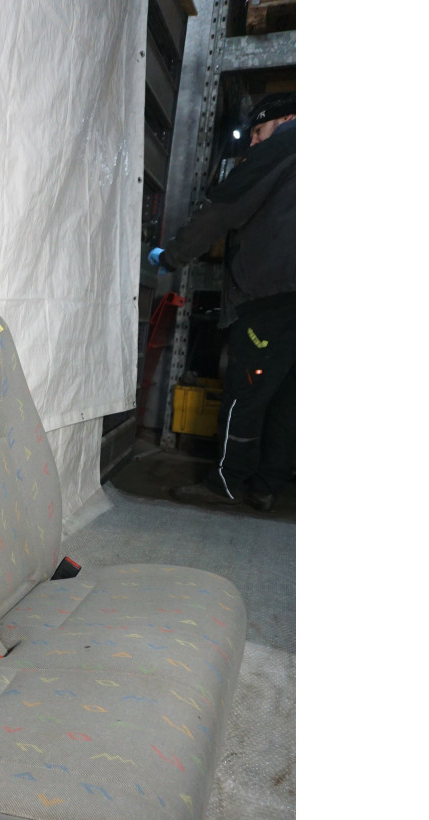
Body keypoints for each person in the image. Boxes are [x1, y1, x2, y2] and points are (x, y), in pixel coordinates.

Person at [148, 92, 296, 512]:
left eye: (259, 131)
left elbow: (222, 209)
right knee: (286, 397)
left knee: (245, 393)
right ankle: (267, 486)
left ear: (286, 118)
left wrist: (171, 256)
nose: (254, 142)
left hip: (269, 297)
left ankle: (226, 484)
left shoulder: (285, 144)